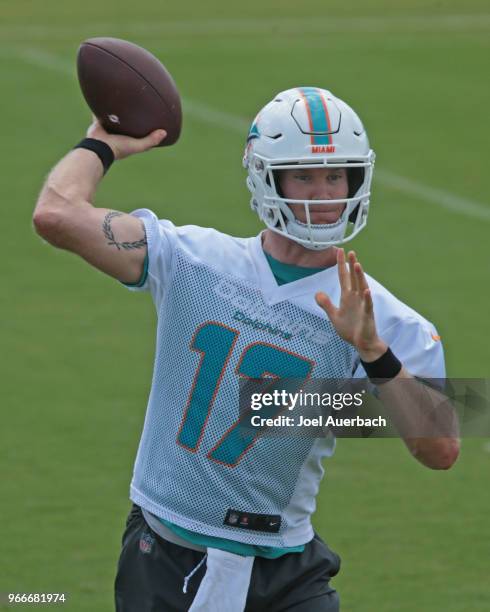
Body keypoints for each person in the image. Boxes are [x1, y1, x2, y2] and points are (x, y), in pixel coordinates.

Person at [33, 87, 459, 611]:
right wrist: (101, 145)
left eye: (336, 175)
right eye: (303, 175)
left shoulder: (385, 317)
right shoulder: (191, 258)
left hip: (288, 570)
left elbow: (440, 449)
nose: (323, 196)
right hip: (168, 552)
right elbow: (55, 215)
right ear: (266, 177)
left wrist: (372, 353)